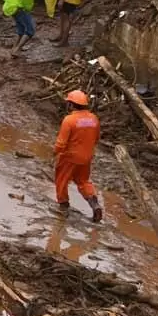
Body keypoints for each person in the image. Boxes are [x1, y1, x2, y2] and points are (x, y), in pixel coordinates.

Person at [54, 90, 104, 221]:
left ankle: (63, 206)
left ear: (71, 105)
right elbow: (97, 138)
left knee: (61, 180)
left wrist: (54, 152)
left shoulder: (69, 120)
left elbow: (61, 143)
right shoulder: (94, 118)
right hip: (86, 157)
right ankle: (95, 205)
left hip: (69, 157)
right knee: (83, 181)